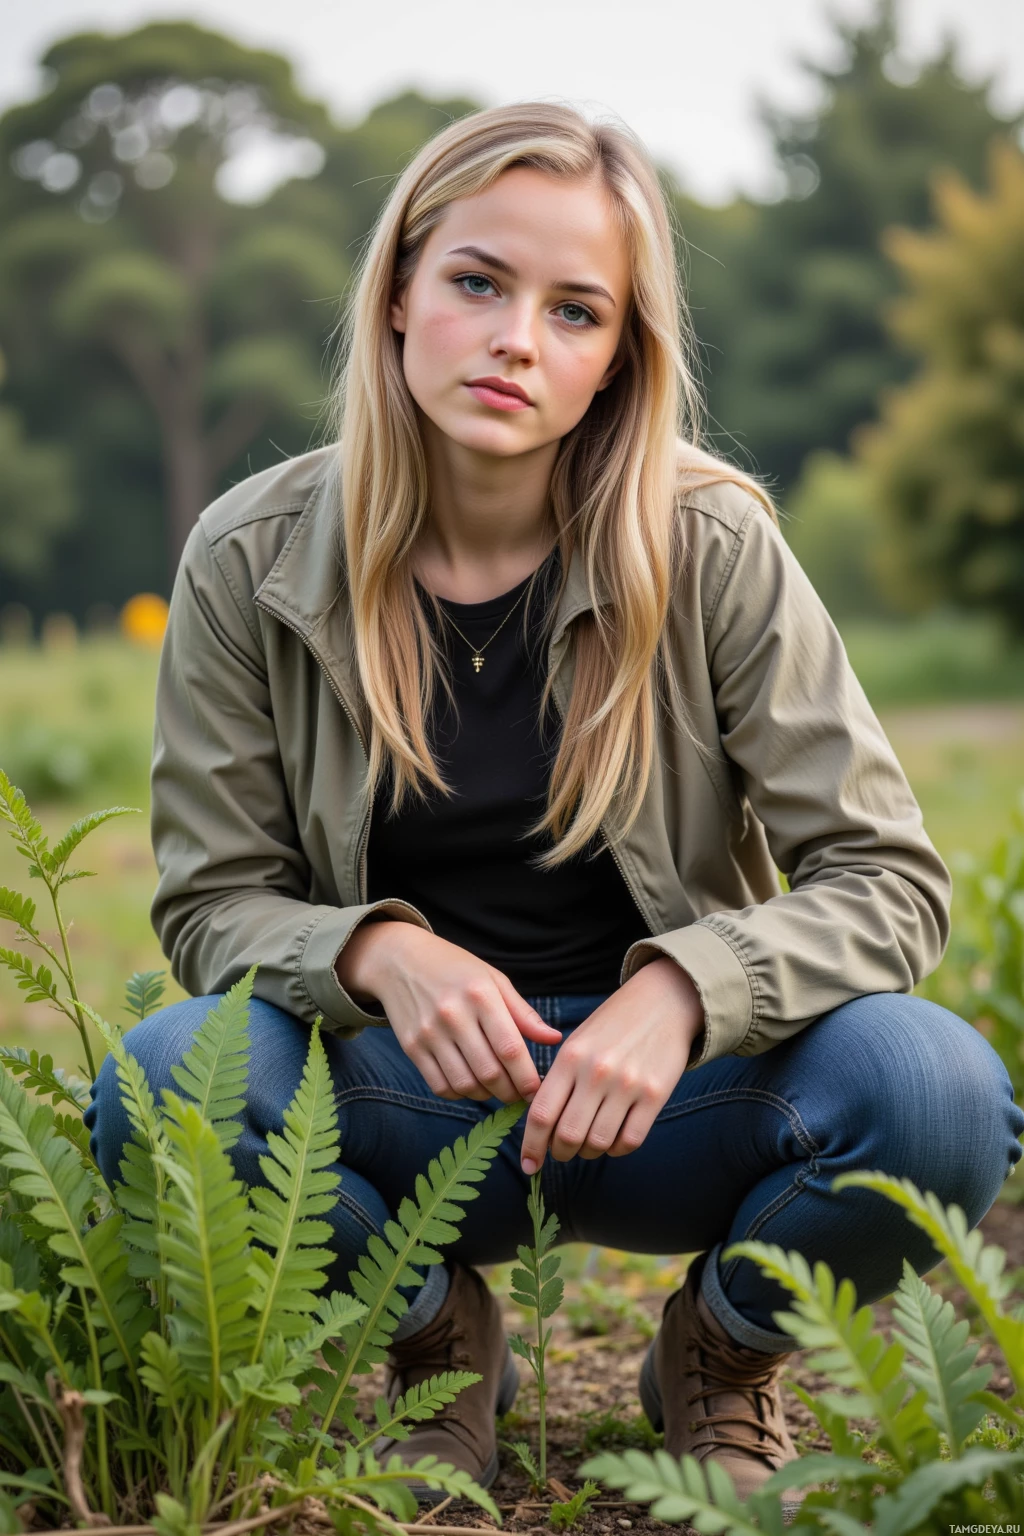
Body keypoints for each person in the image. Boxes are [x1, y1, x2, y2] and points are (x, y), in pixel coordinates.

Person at [85, 101, 1024, 1509]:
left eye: (575, 310)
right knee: (166, 1085)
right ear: (400, 289)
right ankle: (434, 1337)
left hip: (677, 1110)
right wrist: (376, 956)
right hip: (403, 1112)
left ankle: (719, 1348)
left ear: (613, 365)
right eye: (477, 281)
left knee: (938, 1094)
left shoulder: (711, 544)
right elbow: (212, 905)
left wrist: (689, 991)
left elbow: (886, 879)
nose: (518, 336)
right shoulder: (251, 555)